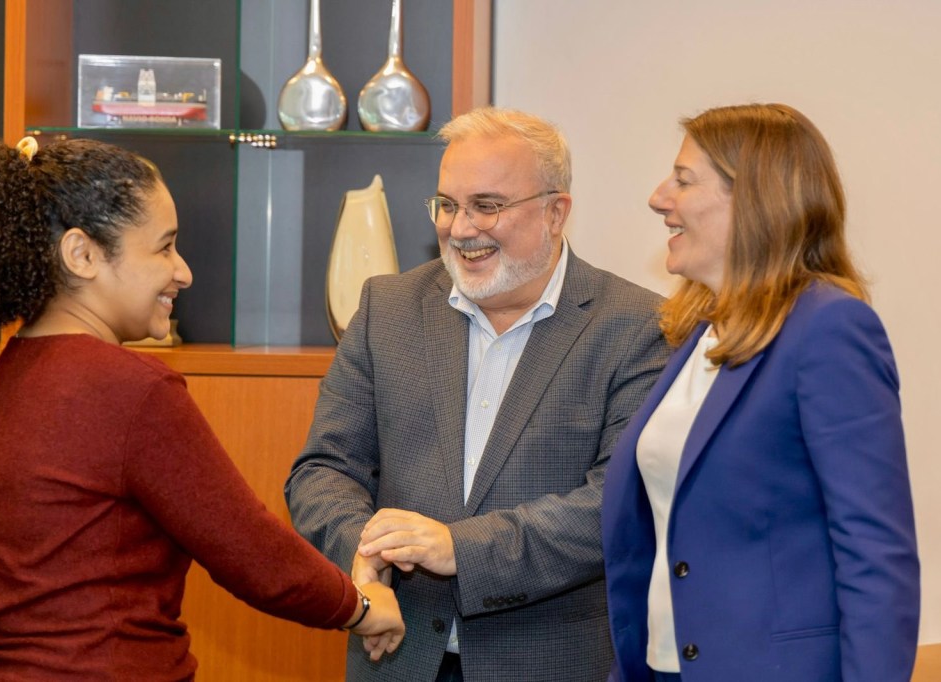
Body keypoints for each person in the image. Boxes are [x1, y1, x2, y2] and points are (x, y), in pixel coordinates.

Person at [0, 136, 405, 680]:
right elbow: (250, 551)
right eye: (163, 248)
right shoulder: (130, 389)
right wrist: (358, 607)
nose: (183, 271)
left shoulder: (4, 379)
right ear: (83, 254)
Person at [284, 106, 670, 682]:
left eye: (487, 206)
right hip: (397, 654)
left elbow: (613, 505)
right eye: (447, 204)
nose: (461, 228)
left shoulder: (638, 325)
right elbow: (323, 468)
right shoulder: (386, 309)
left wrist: (459, 549)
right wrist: (363, 552)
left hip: (550, 662)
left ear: (556, 212)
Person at [601, 103, 920, 682]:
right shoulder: (696, 333)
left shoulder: (829, 327)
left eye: (683, 179)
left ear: (752, 200)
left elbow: (876, 555)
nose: (658, 197)